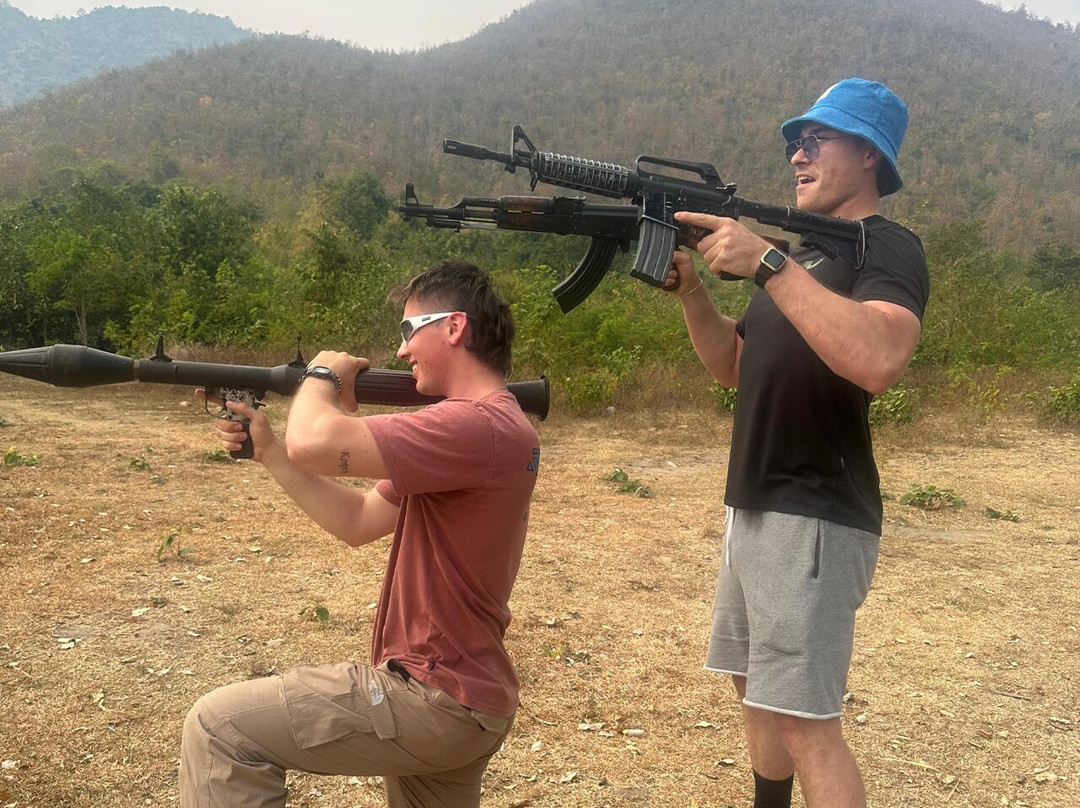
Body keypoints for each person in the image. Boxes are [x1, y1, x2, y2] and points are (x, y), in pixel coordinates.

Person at [180, 260, 541, 808]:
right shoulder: (482, 428)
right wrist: (271, 451)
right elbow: (358, 520)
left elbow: (318, 441)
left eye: (409, 329)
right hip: (467, 700)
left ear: (454, 327)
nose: (401, 350)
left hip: (433, 694)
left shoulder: (477, 425)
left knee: (220, 729)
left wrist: (320, 376)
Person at [665, 79, 930, 808]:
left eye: (817, 140)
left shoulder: (887, 246)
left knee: (806, 718)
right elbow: (735, 368)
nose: (797, 153)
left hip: (814, 507)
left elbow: (879, 359)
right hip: (755, 500)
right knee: (757, 690)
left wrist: (769, 264)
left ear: (869, 155)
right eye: (793, 142)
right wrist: (694, 291)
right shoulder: (806, 256)